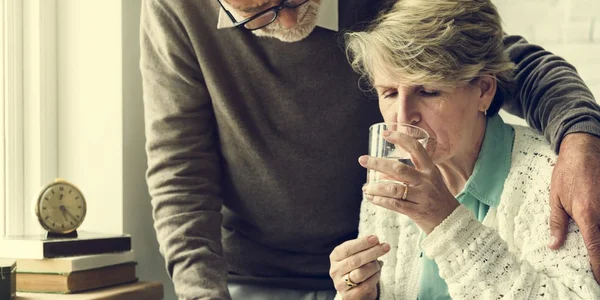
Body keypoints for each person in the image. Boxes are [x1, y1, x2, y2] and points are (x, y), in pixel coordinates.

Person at [139, 0, 600, 299]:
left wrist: (580, 138)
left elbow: (502, 60)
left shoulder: (530, 182)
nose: (281, 22)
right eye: (253, 13)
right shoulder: (175, 10)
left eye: (290, 0)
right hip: (254, 269)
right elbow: (179, 167)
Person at [329, 0, 600, 299]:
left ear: (483, 90)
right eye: (390, 93)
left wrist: (446, 223)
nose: (403, 117)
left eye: (429, 91)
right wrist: (363, 294)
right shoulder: (393, 174)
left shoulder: (549, 178)